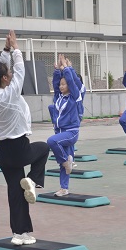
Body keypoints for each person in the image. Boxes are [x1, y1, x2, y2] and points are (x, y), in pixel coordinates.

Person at [0, 30, 49, 246]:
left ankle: (20, 233)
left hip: (4, 153)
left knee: (16, 193)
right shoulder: (10, 94)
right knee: (44, 148)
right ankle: (34, 181)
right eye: (7, 75)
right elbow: (20, 71)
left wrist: (6, 51)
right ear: (5, 79)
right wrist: (16, 49)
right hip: (19, 149)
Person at [46, 54, 81, 197]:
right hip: (61, 132)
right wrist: (57, 70)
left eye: (64, 84)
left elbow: (72, 83)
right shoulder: (59, 97)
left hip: (71, 132)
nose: (61, 86)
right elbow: (55, 84)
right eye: (60, 85)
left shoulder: (74, 96)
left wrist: (67, 69)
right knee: (64, 164)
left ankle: (66, 162)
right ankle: (64, 188)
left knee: (51, 141)